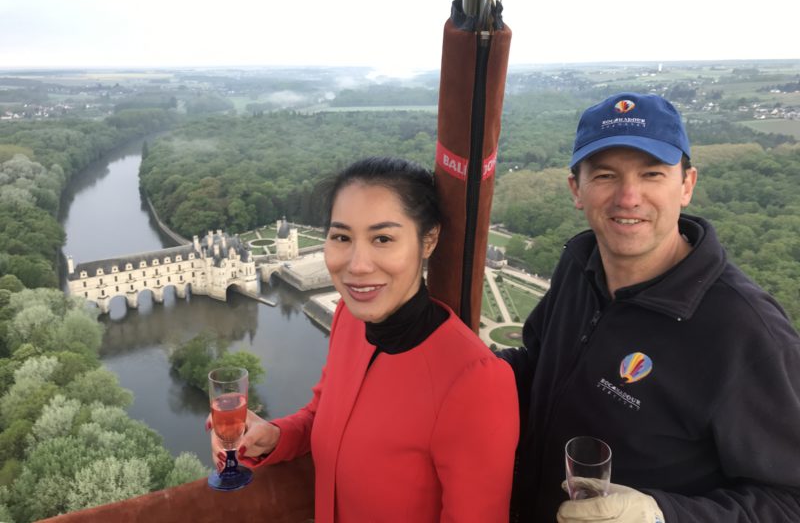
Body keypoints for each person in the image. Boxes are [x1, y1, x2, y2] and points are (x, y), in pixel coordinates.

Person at [499, 92, 800, 522]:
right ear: (576, 189)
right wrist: (465, 371)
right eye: (605, 175)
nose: (628, 197)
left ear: (687, 186)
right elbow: (539, 365)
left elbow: (790, 501)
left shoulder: (745, 332)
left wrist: (662, 515)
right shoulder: (579, 264)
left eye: (652, 174)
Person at [209, 156, 519, 522]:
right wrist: (274, 435)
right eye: (341, 237)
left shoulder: (477, 380)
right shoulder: (349, 319)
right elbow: (323, 418)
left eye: (383, 238)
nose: (357, 264)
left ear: (429, 239)